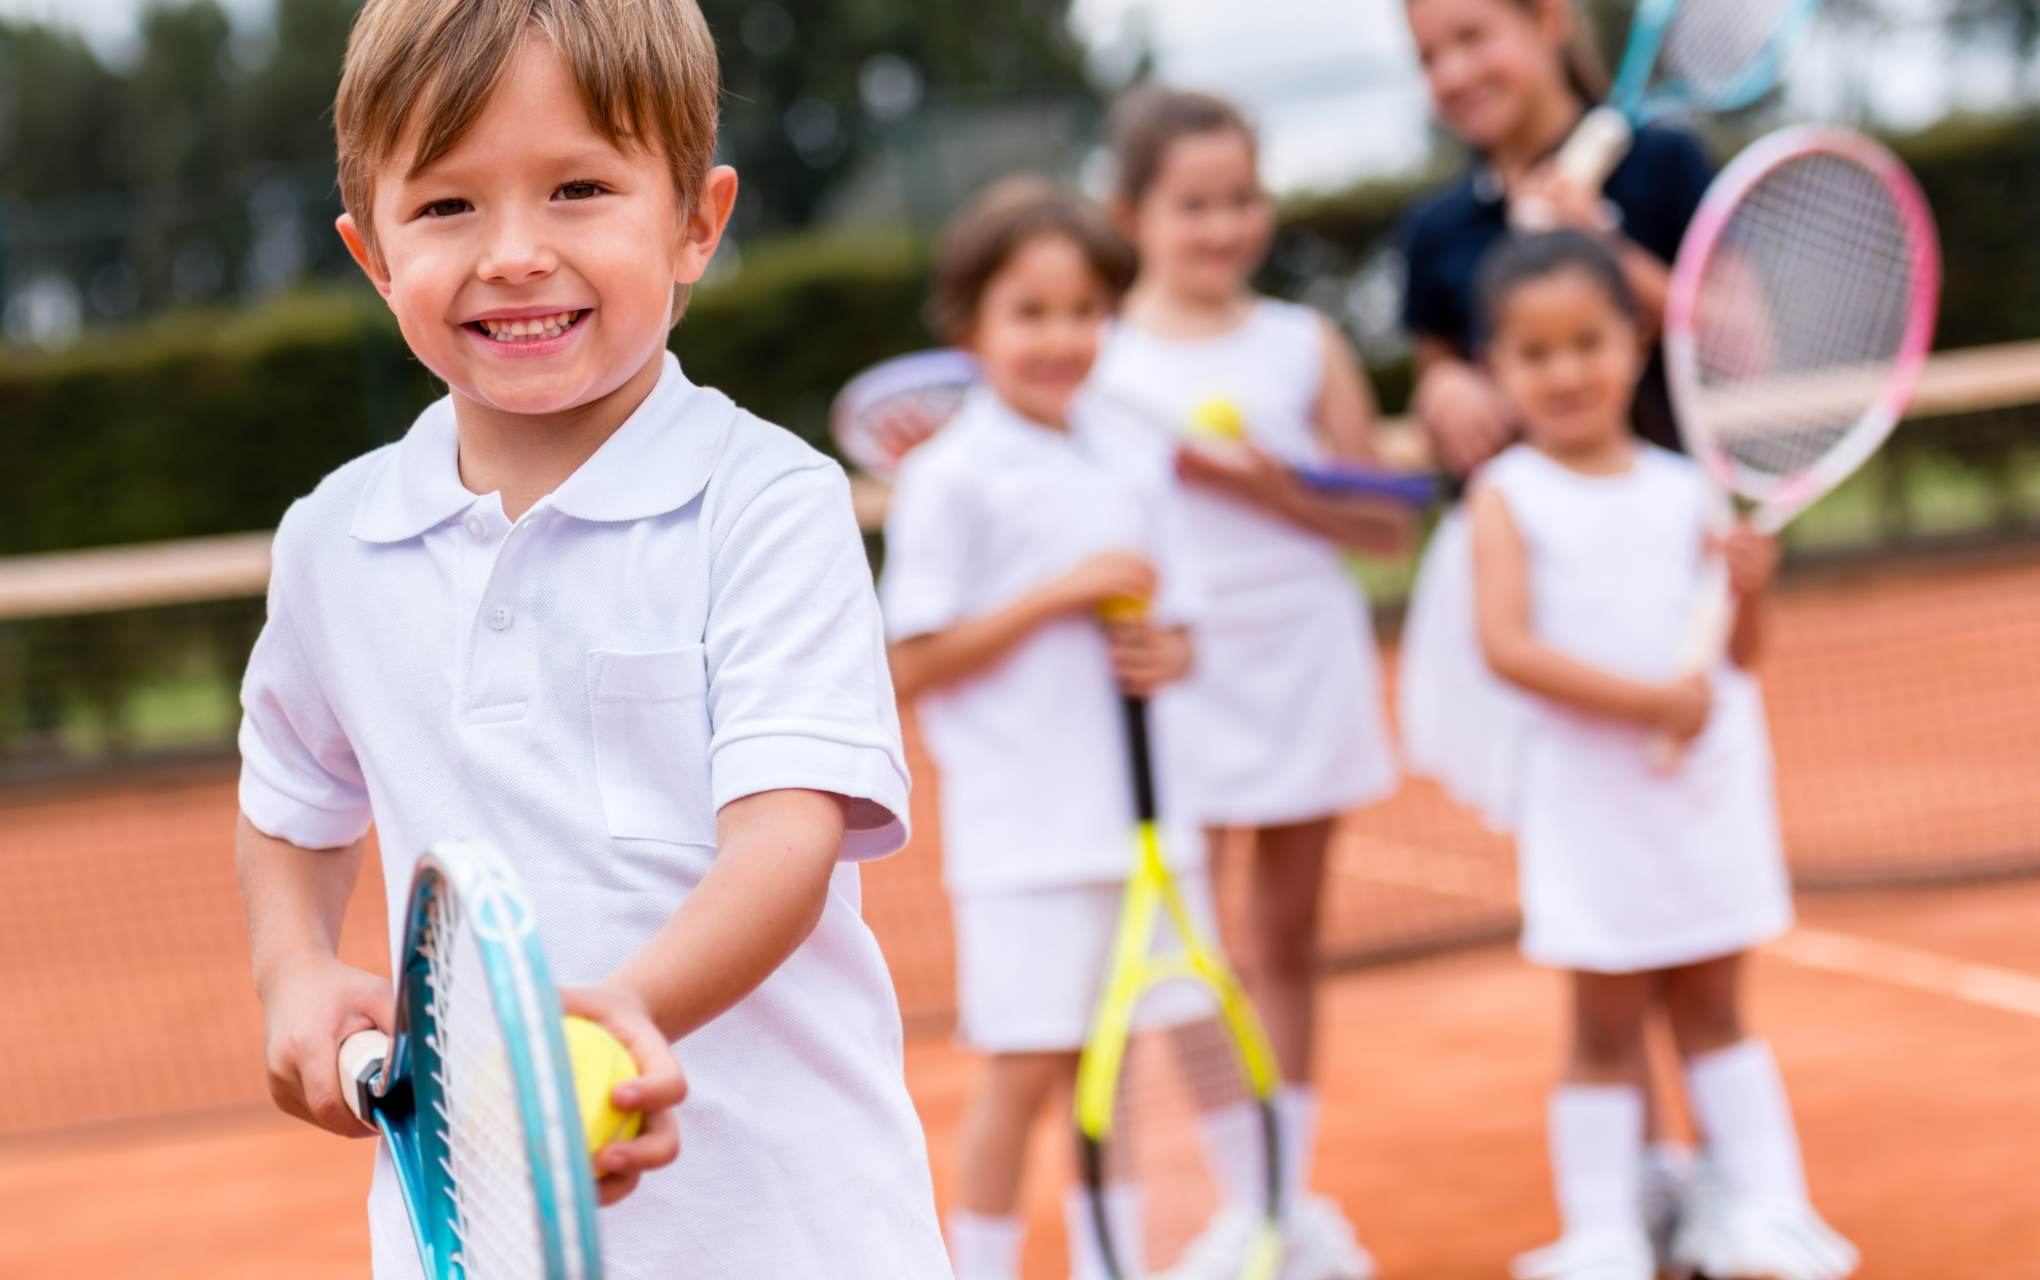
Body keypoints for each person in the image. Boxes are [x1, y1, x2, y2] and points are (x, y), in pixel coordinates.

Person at [233, 3, 947, 1275]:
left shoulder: (768, 501)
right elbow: (293, 800)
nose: (515, 252)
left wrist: (628, 1012)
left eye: (578, 188)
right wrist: (292, 967)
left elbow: (788, 830)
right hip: (468, 1231)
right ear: (372, 255)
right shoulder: (329, 542)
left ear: (696, 223)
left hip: (796, 1231)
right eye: (447, 206)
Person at [1454, 230, 1857, 1280]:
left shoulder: (1689, 487)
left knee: (1717, 1007)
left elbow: (1739, 654)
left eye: (1588, 341)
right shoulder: (1505, 494)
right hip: (1591, 802)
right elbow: (1506, 647)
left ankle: (1766, 1206)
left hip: (1704, 796)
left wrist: (1752, 584)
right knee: (1604, 1019)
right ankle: (1604, 1231)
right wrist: (1645, 702)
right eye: (1535, 354)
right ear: (1497, 367)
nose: (1566, 371)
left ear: (1634, 342)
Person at [1393, 0, 1721, 1240]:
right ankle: (1639, 1181)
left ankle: (1725, 1180)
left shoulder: (1665, 164)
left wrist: (1609, 252)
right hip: (1537, 606)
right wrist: (1445, 388)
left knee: (1684, 904)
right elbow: (1441, 367)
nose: (1455, 71)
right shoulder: (1437, 230)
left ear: (1548, 24)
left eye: (1475, 35)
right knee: (1598, 907)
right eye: (1429, 56)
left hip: (1669, 594)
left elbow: (1729, 333)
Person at [1086, 86, 1408, 1280]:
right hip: (1174, 675)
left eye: (1241, 199)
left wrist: (1270, 483)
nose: (1222, 226)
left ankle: (1282, 1206)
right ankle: (1241, 1197)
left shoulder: (1301, 343)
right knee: (1190, 944)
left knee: (1285, 938)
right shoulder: (1101, 362)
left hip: (1304, 657)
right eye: (1192, 204)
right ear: (1132, 214)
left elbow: (1381, 527)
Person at [881, 177, 1201, 1280]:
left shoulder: (1129, 452)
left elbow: (1176, 631)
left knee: (1114, 1080)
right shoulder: (947, 478)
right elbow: (910, 658)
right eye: (1029, 311)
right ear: (970, 326)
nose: (1059, 337)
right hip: (1024, 836)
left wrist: (1170, 649)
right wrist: (1058, 593)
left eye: (1081, 311)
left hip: (1147, 829)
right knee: (1024, 1075)